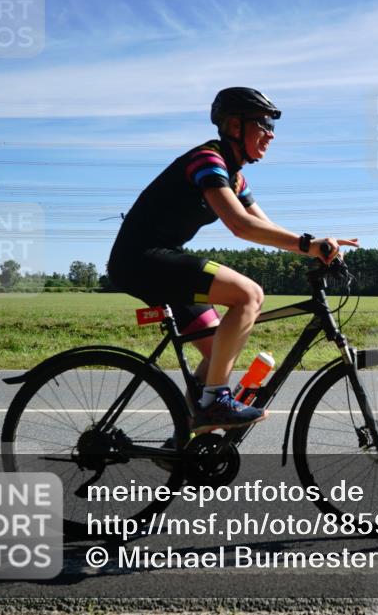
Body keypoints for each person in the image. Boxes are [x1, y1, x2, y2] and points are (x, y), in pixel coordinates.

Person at [107, 87, 358, 433]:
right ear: (235, 126)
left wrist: (317, 247)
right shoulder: (207, 160)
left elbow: (266, 228)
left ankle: (186, 438)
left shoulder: (235, 177)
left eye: (273, 126)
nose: (271, 134)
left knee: (217, 355)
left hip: (160, 259)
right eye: (264, 124)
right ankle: (215, 403)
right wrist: (308, 245)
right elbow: (240, 225)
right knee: (249, 295)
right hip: (141, 259)